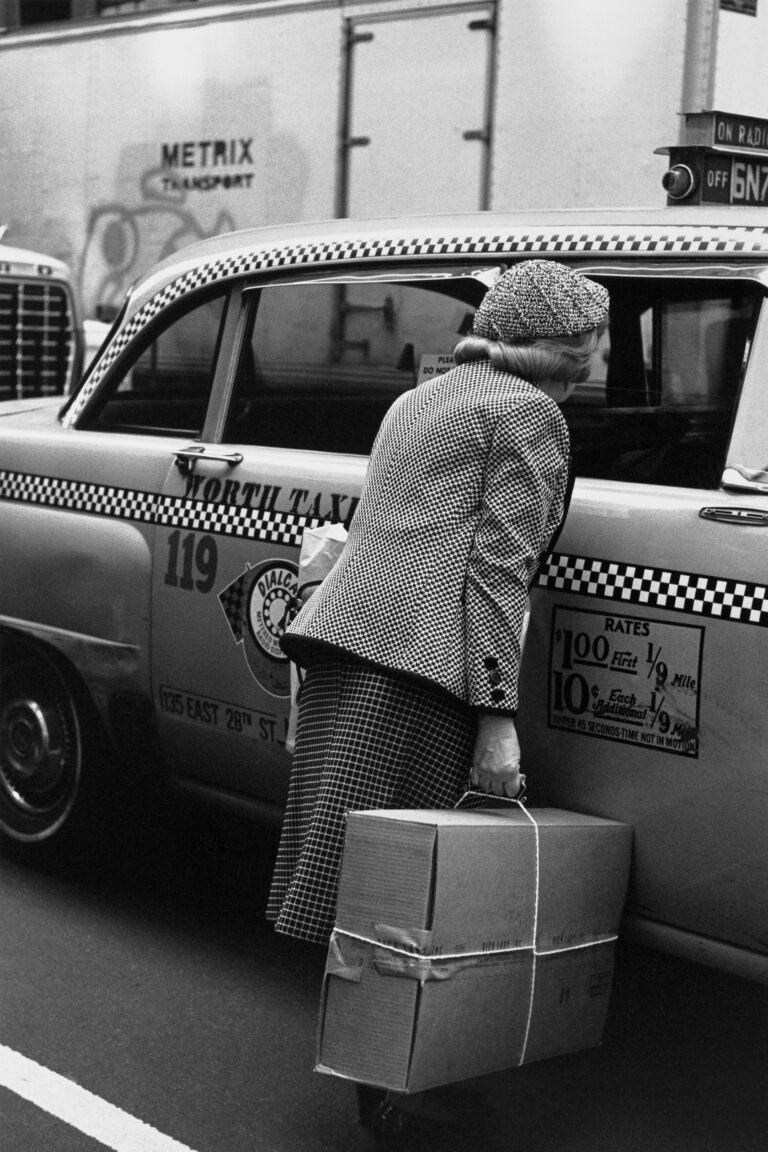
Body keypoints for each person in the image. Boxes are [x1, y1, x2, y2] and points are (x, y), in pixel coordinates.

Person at [266, 259, 609, 1141]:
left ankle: (382, 1074)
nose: (596, 359)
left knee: (365, 880)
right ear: (543, 346)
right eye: (585, 343)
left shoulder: (424, 397)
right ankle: (392, 1095)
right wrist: (498, 721)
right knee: (405, 894)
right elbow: (500, 574)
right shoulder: (529, 414)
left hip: (348, 649)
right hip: (416, 670)